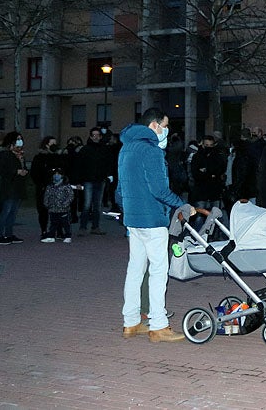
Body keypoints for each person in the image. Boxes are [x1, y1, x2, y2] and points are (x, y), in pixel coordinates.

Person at [117, 107, 192, 342]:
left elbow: (120, 189)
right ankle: (158, 325)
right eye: (165, 125)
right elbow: (159, 190)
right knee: (159, 271)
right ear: (154, 125)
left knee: (135, 269)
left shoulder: (126, 149)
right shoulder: (152, 151)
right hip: (152, 218)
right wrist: (182, 205)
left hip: (133, 219)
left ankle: (130, 322)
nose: (167, 130)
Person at [75, 128, 112, 235]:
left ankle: (95, 227)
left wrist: (108, 175)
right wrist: (78, 180)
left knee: (97, 205)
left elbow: (108, 163)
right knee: (86, 204)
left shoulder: (104, 149)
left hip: (100, 180)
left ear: (100, 136)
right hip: (88, 180)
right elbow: (79, 166)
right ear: (90, 136)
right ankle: (83, 227)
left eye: (97, 135)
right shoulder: (85, 149)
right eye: (93, 135)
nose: (96, 137)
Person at [0, 132, 28, 245]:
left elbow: (23, 168)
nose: (20, 142)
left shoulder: (20, 155)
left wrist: (23, 170)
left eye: (20, 139)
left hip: (18, 187)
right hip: (8, 187)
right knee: (6, 211)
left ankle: (9, 234)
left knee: (13, 212)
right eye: (17, 139)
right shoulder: (5, 154)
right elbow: (0, 170)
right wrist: (15, 172)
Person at [30, 136, 59, 242]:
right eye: (52, 143)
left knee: (58, 209)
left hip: (56, 187)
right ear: (46, 145)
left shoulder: (57, 157)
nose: (55, 145)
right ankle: (44, 230)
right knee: (43, 210)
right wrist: (41, 184)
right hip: (44, 188)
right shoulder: (39, 158)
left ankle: (58, 230)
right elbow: (35, 173)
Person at [43, 163, 80, 243]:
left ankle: (68, 236)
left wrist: (65, 204)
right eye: (55, 174)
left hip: (63, 209)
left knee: (65, 223)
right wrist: (47, 203)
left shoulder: (66, 186)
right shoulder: (50, 186)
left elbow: (70, 196)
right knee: (53, 223)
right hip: (53, 209)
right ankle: (51, 236)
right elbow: (47, 195)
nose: (56, 176)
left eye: (58, 174)